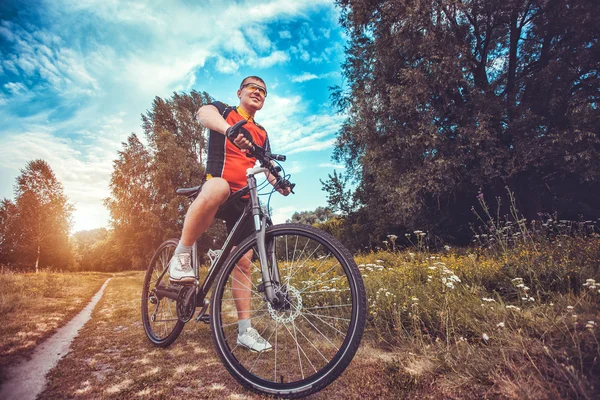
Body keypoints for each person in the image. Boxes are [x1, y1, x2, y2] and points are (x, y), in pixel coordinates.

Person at [168, 76, 290, 352]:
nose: (258, 92)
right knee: (219, 186)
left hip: (243, 199)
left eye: (263, 90)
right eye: (253, 88)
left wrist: (279, 183)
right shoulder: (225, 110)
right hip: (217, 187)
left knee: (243, 263)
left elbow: (267, 166)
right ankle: (182, 253)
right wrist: (229, 130)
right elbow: (202, 113)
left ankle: (244, 331)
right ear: (240, 92)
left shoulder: (262, 132)